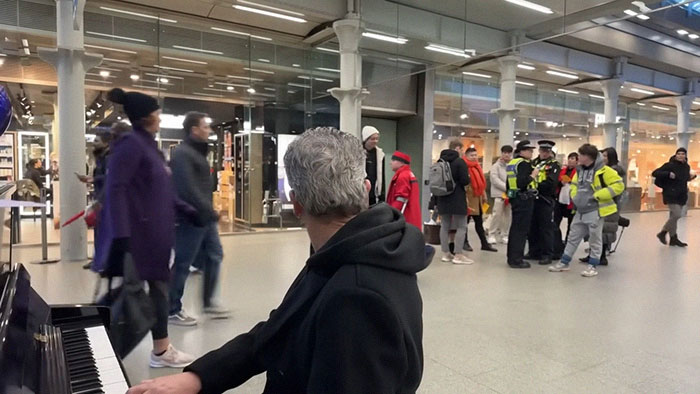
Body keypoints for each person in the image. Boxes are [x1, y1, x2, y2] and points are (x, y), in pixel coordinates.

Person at [127, 127, 427, 394]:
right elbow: (282, 326)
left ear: (295, 203)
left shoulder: (357, 294)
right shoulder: (347, 250)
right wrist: (201, 378)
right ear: (367, 188)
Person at [100, 88, 195, 368]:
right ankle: (157, 351)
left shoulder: (148, 146)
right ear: (146, 117)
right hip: (140, 237)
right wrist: (122, 236)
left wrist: (186, 210)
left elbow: (161, 189)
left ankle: (160, 349)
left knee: (157, 291)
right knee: (147, 293)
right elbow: (115, 190)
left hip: (155, 234)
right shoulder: (130, 146)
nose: (160, 118)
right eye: (157, 113)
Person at [168, 112, 230, 326]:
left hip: (204, 218)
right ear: (194, 129)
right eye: (205, 127)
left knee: (215, 255)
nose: (209, 131)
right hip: (190, 218)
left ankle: (208, 301)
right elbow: (187, 189)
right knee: (184, 262)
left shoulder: (196, 152)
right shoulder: (182, 154)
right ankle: (171, 308)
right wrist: (208, 210)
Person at [549, 144, 624, 278]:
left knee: (594, 239)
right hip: (581, 210)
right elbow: (574, 185)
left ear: (588, 157)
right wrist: (575, 197)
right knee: (573, 237)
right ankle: (564, 262)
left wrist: (599, 195)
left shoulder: (605, 171)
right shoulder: (580, 171)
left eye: (581, 155)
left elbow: (619, 185)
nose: (578, 158)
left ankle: (592, 265)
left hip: (596, 210)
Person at [580, 147, 626, 265]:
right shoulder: (598, 170)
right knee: (595, 229)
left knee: (605, 230)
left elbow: (618, 189)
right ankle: (593, 253)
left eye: (606, 156)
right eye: (602, 156)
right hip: (596, 203)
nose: (603, 158)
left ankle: (601, 255)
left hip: (609, 205)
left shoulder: (615, 171)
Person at [437, 139, 472, 265]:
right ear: (457, 148)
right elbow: (464, 181)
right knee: (461, 226)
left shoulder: (440, 161)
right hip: (457, 197)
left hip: (442, 197)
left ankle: (445, 253)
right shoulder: (459, 162)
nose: (462, 151)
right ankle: (458, 254)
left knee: (445, 226)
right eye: (462, 149)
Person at [525, 140, 561, 266]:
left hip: (545, 199)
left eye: (547, 151)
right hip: (532, 198)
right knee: (532, 226)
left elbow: (552, 183)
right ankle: (533, 251)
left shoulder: (554, 165)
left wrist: (536, 186)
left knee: (546, 228)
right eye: (542, 151)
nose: (544, 153)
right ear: (539, 151)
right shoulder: (533, 163)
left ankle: (547, 254)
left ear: (550, 152)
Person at [506, 140, 539, 269]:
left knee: (515, 229)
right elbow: (522, 182)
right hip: (524, 198)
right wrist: (533, 175)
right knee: (521, 231)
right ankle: (517, 259)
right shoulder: (524, 164)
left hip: (515, 198)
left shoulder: (513, 163)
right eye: (529, 150)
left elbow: (509, 183)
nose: (531, 153)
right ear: (521, 151)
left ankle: (512, 257)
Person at [653, 147, 695, 247]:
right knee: (677, 215)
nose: (681, 156)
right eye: (679, 154)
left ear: (685, 156)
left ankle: (673, 238)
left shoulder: (686, 167)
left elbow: (682, 179)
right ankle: (662, 233)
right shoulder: (669, 165)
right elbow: (655, 173)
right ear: (675, 155)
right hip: (670, 194)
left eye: (683, 154)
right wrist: (668, 174)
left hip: (681, 194)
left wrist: (690, 178)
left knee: (673, 217)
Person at [464, 147, 497, 252]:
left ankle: (484, 243)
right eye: (471, 155)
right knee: (465, 222)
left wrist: (483, 194)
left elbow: (481, 183)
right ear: (466, 156)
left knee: (479, 222)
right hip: (469, 198)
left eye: (475, 155)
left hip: (477, 198)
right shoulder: (464, 166)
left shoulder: (477, 167)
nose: (474, 157)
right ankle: (465, 242)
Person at [386, 150, 422, 229]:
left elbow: (401, 198)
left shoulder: (402, 176)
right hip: (411, 214)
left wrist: (392, 213)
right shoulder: (409, 174)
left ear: (401, 163)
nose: (390, 163)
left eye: (393, 160)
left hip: (405, 216)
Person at [553, 152, 578, 258]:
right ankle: (556, 244)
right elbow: (556, 181)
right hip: (560, 200)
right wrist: (560, 183)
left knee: (571, 226)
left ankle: (568, 246)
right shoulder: (562, 170)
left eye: (573, 158)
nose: (570, 160)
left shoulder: (579, 172)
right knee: (555, 223)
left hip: (571, 202)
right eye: (569, 158)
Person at [487, 145, 512, 245]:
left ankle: (505, 235)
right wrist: (507, 187)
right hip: (499, 194)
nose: (506, 155)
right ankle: (491, 234)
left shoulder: (512, 165)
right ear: (501, 153)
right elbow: (494, 180)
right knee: (496, 214)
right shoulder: (495, 166)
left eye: (508, 153)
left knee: (508, 215)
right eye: (504, 152)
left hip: (510, 195)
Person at [362, 125, 385, 205]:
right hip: (361, 191)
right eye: (372, 139)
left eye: (377, 139)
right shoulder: (357, 152)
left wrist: (382, 194)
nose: (375, 141)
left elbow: (382, 175)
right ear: (366, 139)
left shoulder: (380, 154)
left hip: (374, 192)